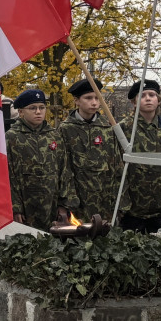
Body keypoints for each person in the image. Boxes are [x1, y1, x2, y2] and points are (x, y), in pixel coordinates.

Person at [118, 80, 161, 233]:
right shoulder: (124, 129)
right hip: (131, 210)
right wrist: (121, 205)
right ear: (133, 102)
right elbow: (116, 168)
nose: (148, 98)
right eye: (142, 95)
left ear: (158, 100)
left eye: (152, 95)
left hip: (160, 209)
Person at [5, 89, 78, 231]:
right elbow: (9, 174)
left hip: (52, 204)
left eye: (41, 107)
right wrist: (15, 207)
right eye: (32, 108)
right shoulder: (12, 137)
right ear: (21, 112)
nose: (38, 112)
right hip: (26, 205)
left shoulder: (54, 136)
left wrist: (65, 204)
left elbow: (64, 171)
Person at [59, 78, 122, 221]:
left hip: (105, 199)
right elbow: (63, 168)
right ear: (76, 100)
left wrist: (119, 200)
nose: (94, 102)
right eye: (88, 98)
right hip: (78, 199)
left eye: (97, 98)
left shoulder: (106, 128)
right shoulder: (66, 129)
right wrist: (67, 200)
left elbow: (116, 165)